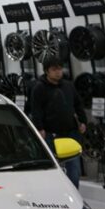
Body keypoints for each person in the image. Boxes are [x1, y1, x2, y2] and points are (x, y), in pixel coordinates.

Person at [29, 57, 87, 187]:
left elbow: (78, 104)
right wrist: (40, 128)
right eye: (54, 69)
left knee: (74, 170)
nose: (58, 72)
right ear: (47, 71)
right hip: (51, 134)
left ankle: (74, 194)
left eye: (60, 69)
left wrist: (83, 121)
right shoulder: (39, 88)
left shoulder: (68, 85)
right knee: (53, 169)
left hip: (71, 132)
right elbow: (36, 110)